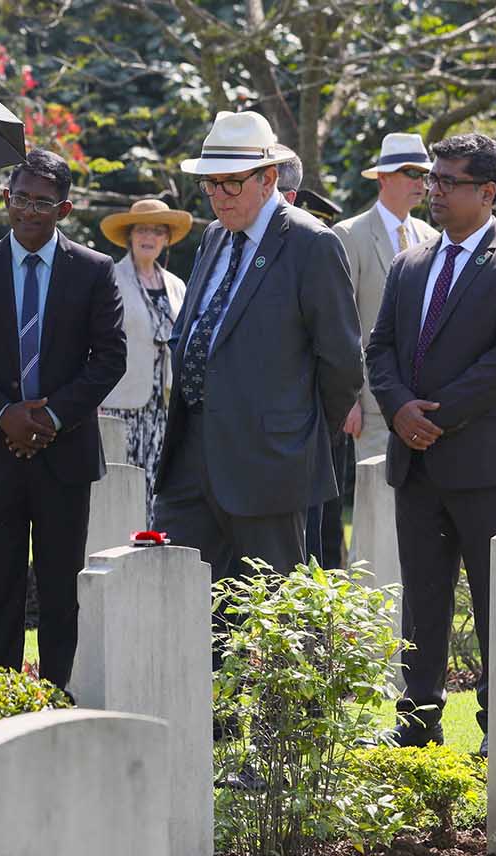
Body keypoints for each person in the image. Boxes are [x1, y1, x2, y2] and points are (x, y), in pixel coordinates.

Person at [366, 133, 496, 754]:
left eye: (449, 182)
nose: (434, 191)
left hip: (487, 464)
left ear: (488, 192)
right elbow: (381, 348)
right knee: (422, 598)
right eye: (432, 179)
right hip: (415, 459)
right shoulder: (410, 263)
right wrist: (399, 410)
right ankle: (417, 720)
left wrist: (434, 417)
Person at [0, 148, 126, 692]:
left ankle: (56, 702)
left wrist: (52, 418)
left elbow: (110, 357)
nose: (28, 211)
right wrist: (5, 416)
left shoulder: (93, 271)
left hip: (64, 456)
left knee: (61, 593)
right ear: (6, 199)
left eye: (43, 202)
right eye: (20, 198)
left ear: (64, 209)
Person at [154, 111, 361, 592]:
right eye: (210, 184)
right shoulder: (214, 236)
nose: (219, 196)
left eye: (231, 183)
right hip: (192, 451)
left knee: (272, 607)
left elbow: (342, 362)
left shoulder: (311, 243)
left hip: (270, 463)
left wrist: (297, 436)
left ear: (268, 179)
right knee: (177, 596)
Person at [335, 133, 438, 462]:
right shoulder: (350, 234)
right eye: (410, 172)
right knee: (377, 491)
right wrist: (349, 399)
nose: (420, 182)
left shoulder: (432, 236)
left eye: (424, 174)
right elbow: (341, 322)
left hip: (425, 402)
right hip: (372, 403)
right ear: (383, 177)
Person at [273, 145, 353, 569]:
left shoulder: (316, 246)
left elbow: (340, 355)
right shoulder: (222, 242)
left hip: (305, 424)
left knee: (314, 547)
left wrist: (322, 421)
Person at [96, 198, 189, 520]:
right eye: (142, 230)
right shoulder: (111, 278)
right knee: (121, 486)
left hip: (164, 405)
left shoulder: (176, 286)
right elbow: (94, 340)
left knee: (158, 485)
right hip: (119, 403)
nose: (149, 237)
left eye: (157, 231)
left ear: (166, 239)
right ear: (130, 236)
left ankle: (150, 542)